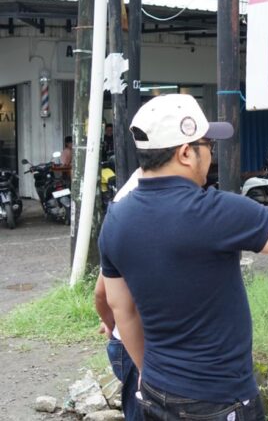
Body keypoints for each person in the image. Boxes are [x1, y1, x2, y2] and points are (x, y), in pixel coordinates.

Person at [99, 94, 268, 420]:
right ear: (185, 153)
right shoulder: (214, 212)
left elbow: (122, 309)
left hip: (156, 393)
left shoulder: (116, 219)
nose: (211, 153)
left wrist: (148, 371)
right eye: (208, 144)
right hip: (220, 400)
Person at [94, 169, 141, 421]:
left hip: (126, 343)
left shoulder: (123, 209)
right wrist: (114, 325)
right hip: (141, 348)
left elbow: (102, 293)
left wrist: (112, 325)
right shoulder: (136, 209)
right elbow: (102, 294)